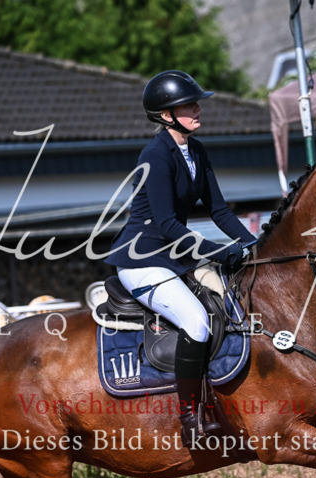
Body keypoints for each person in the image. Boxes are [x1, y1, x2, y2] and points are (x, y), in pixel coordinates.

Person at [106, 70, 257, 449]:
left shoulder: (197, 150)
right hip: (142, 261)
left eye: (196, 103)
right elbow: (168, 224)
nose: (197, 109)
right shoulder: (155, 156)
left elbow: (219, 211)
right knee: (196, 321)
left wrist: (254, 244)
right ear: (166, 115)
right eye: (188, 105)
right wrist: (220, 251)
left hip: (174, 258)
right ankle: (191, 416)